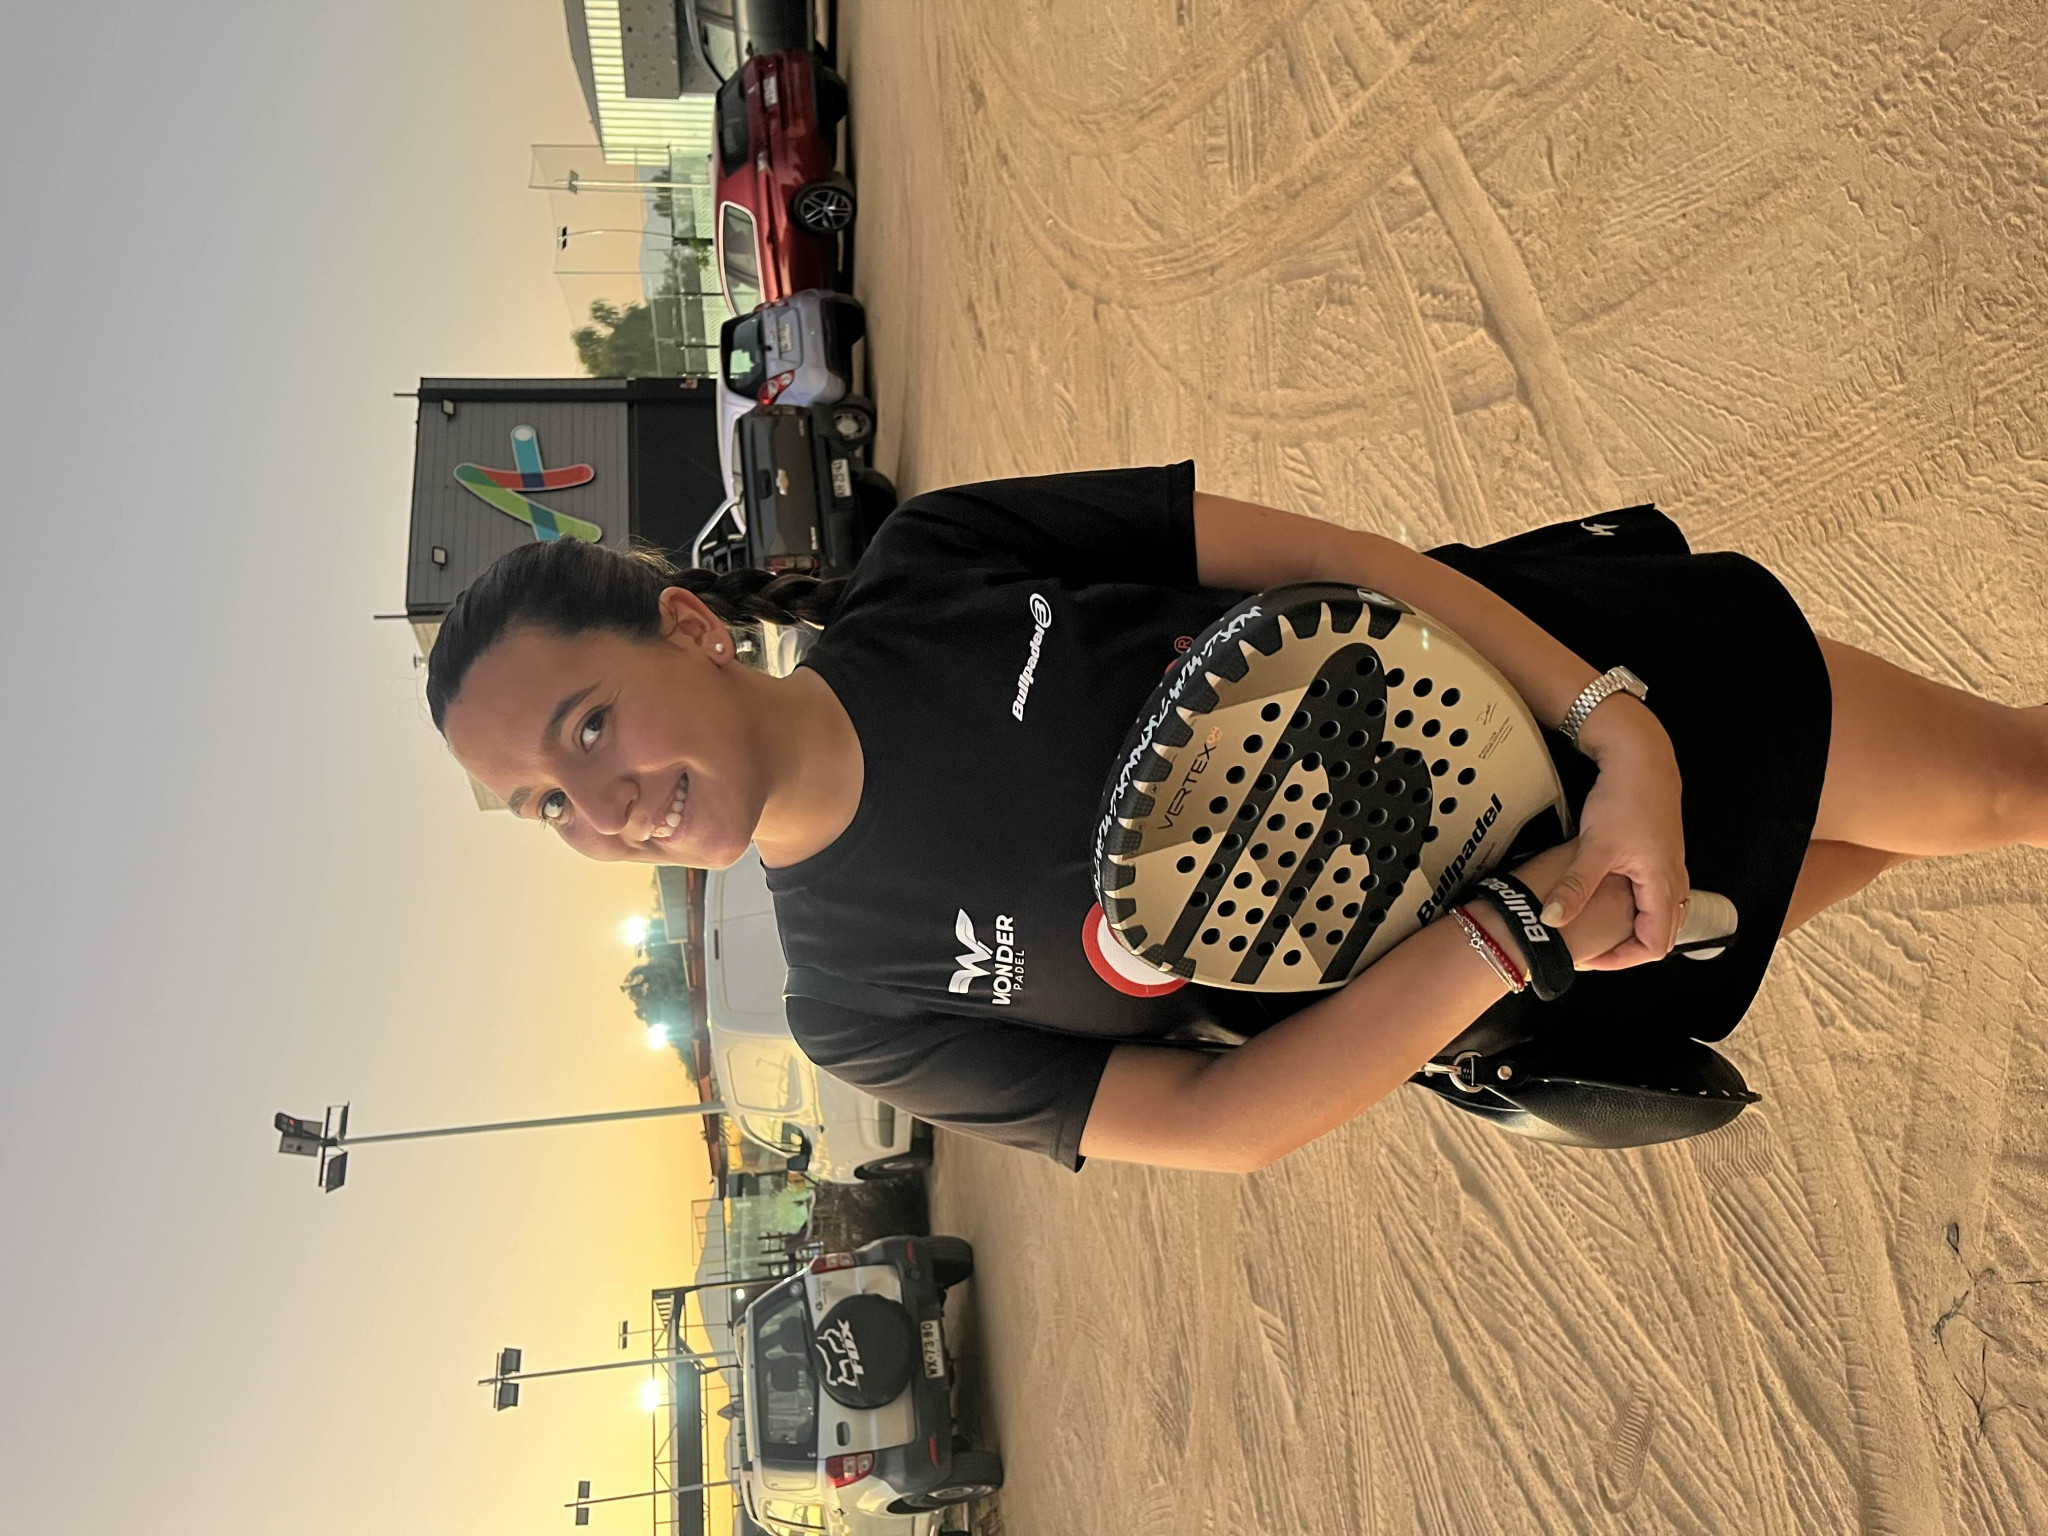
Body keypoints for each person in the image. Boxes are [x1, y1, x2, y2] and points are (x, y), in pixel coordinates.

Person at [426, 463, 2047, 1173]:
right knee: (1948, 828)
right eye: (549, 806)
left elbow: (1321, 560)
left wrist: (1617, 728)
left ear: (687, 627)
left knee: (2013, 785)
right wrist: (1513, 932)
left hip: (1585, 701)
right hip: (1561, 947)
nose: (604, 808)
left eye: (589, 726)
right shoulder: (855, 1007)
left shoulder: (933, 564)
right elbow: (1218, 1121)